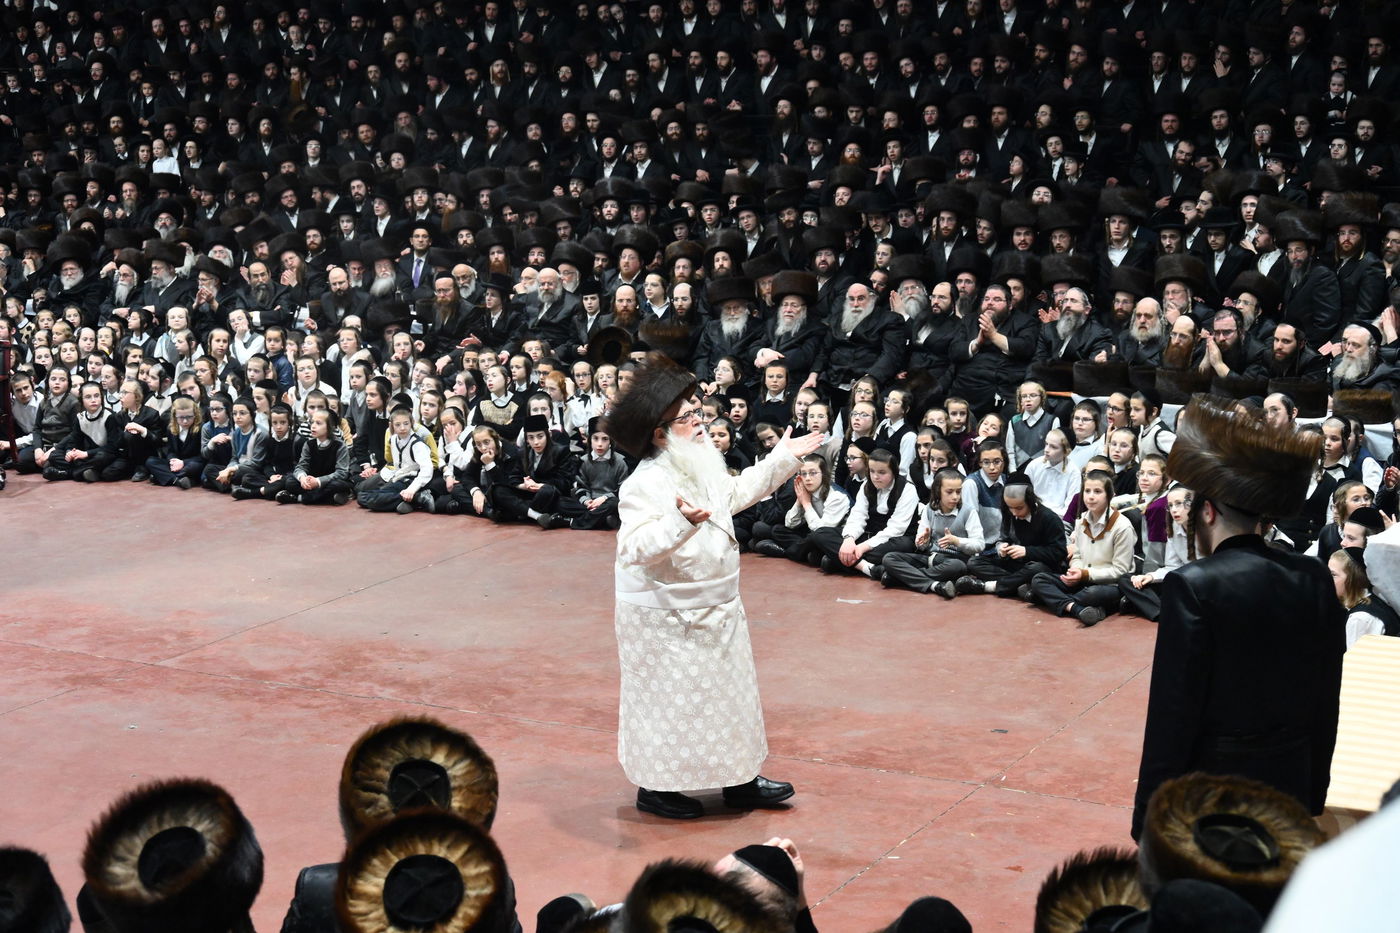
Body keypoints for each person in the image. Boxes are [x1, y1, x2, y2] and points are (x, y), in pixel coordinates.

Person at [605, 352, 822, 819]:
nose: (701, 422)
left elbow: (735, 494)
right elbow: (635, 547)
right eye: (689, 418)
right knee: (670, 707)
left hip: (719, 608)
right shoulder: (645, 483)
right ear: (660, 435)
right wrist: (680, 524)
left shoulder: (700, 462)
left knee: (730, 700)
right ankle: (657, 788)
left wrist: (783, 458)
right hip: (665, 619)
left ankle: (739, 780)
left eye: (699, 412)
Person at [1132, 396, 1346, 841]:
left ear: (1206, 512)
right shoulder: (1313, 577)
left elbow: (1173, 713)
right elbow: (1328, 695)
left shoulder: (1192, 584)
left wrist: (1149, 815)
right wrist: (1314, 789)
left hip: (1214, 793)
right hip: (1290, 779)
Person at [1028, 469, 1137, 626]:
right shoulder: (1081, 521)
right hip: (1082, 580)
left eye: (1097, 491)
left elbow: (1121, 570)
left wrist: (1085, 574)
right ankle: (1077, 609)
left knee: (1091, 594)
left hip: (1109, 585)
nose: (1091, 496)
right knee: (1039, 579)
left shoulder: (1122, 527)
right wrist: (1076, 570)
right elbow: (1077, 554)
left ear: (1110, 495)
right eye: (1087, 491)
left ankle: (1050, 599)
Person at [881, 468, 985, 597]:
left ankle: (900, 578)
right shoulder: (929, 509)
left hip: (954, 560)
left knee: (957, 566)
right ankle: (934, 585)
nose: (955, 497)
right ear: (937, 491)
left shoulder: (968, 512)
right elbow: (921, 544)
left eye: (958, 492)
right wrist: (922, 541)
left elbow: (980, 544)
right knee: (889, 558)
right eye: (949, 492)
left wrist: (957, 541)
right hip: (930, 557)